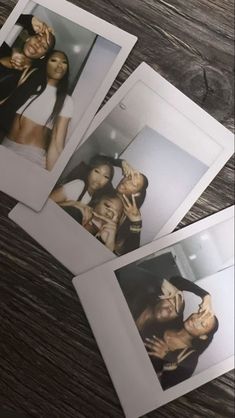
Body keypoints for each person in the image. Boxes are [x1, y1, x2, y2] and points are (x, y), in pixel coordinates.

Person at [1, 50, 73, 168]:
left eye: (64, 62)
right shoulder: (29, 85)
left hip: (30, 156)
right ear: (45, 64)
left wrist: (49, 178)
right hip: (5, 144)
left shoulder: (66, 100)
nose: (59, 65)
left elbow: (57, 142)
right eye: (54, 60)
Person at [115, 264, 212, 338]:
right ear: (161, 298)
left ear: (175, 319)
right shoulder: (135, 296)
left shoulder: (153, 337)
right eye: (171, 301)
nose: (172, 307)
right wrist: (205, 295)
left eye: (176, 309)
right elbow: (176, 280)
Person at [0, 14, 56, 137]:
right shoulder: (2, 48)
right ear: (28, 38)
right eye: (37, 38)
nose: (38, 44)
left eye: (44, 46)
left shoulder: (32, 77)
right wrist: (29, 20)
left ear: (43, 56)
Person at [145, 310, 219, 390]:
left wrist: (168, 357)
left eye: (202, 324)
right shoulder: (168, 321)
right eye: (199, 314)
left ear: (203, 336)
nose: (196, 319)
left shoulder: (189, 359)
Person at [51, 155, 115, 202]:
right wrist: (73, 204)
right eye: (97, 171)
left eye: (106, 176)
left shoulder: (95, 199)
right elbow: (49, 200)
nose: (99, 178)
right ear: (89, 171)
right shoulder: (79, 185)